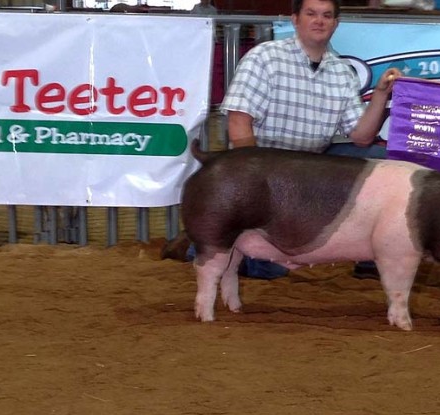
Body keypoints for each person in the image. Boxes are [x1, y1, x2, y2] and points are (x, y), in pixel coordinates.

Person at [162, 0, 401, 280]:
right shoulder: (264, 57)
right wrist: (253, 180)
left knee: (381, 163)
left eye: (327, 16)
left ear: (336, 24)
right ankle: (200, 244)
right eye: (311, 14)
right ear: (295, 19)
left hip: (307, 170)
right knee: (269, 268)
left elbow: (361, 137)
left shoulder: (341, 73)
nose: (319, 21)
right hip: (261, 168)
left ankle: (369, 255)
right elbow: (239, 120)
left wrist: (382, 94)